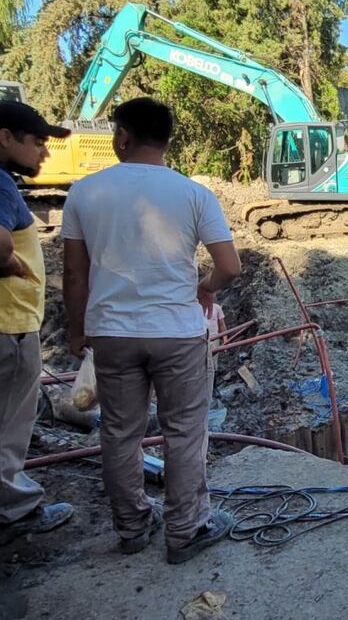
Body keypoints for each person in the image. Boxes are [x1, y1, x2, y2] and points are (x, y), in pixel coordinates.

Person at [61, 97, 242, 564]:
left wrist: (77, 331)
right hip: (177, 333)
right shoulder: (193, 193)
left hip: (112, 334)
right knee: (185, 432)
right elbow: (230, 266)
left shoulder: (84, 191)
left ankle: (133, 527)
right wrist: (204, 289)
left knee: (120, 433)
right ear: (166, 139)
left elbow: (75, 275)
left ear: (122, 136)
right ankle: (186, 530)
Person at [0, 102, 74, 545]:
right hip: (9, 326)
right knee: (9, 423)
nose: (44, 153)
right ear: (5, 137)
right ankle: (15, 510)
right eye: (38, 142)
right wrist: (10, 266)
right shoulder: (2, 185)